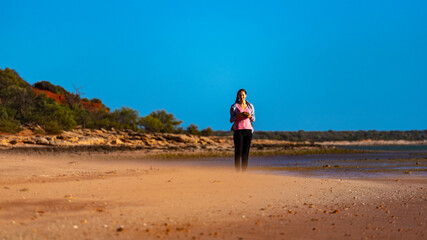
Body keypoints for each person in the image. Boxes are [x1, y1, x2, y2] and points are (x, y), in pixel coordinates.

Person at [230, 89, 255, 172]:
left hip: (248, 130)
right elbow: (231, 120)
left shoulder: (250, 106)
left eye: (243, 95)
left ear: (246, 95)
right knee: (238, 151)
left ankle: (244, 171)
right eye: (240, 95)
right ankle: (237, 171)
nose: (242, 97)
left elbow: (254, 119)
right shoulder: (234, 106)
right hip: (238, 130)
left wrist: (249, 116)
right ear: (238, 96)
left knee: (246, 152)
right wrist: (238, 116)